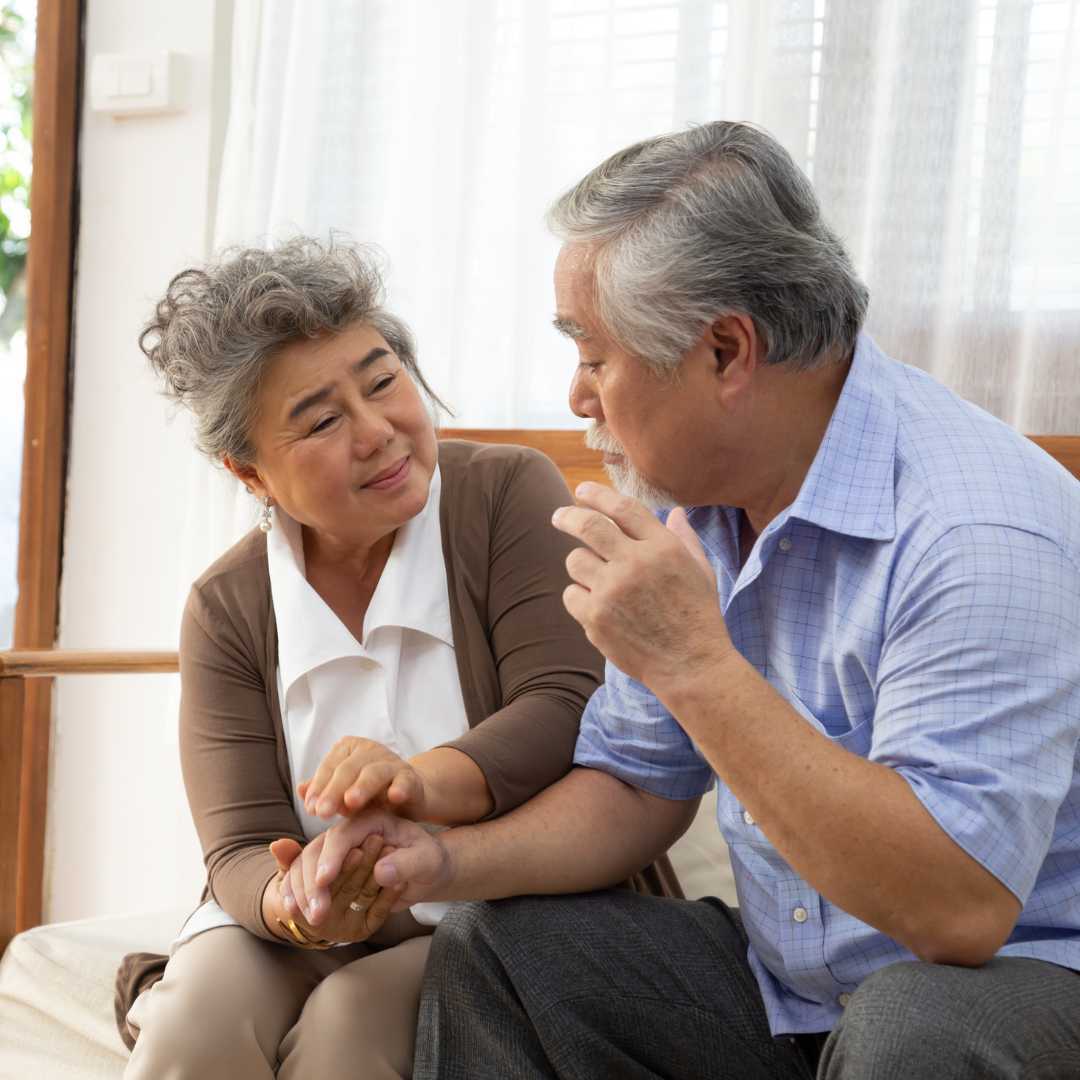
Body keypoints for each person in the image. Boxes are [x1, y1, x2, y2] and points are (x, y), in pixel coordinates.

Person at [306, 123, 1080, 1079]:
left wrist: (692, 660)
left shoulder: (974, 531)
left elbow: (957, 912)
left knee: (913, 1026)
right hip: (795, 996)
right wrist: (441, 860)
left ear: (725, 352)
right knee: (502, 946)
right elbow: (636, 784)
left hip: (1020, 988)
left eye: (595, 355)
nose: (578, 395)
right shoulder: (697, 508)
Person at [114, 238, 679, 1080]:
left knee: (351, 1022)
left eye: (382, 381)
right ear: (250, 473)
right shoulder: (226, 606)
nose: (379, 432)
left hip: (501, 907)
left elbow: (567, 703)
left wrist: (414, 782)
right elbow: (237, 850)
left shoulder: (504, 495)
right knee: (192, 1021)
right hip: (314, 923)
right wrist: (298, 903)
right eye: (321, 419)